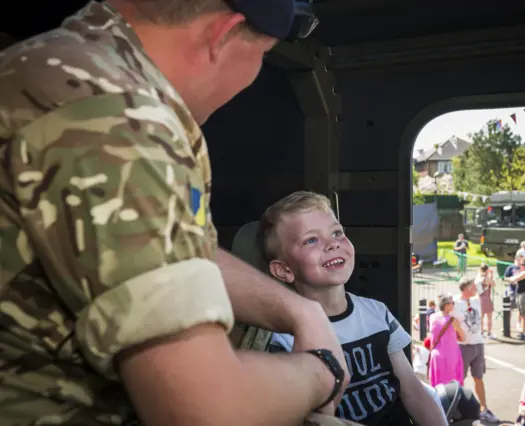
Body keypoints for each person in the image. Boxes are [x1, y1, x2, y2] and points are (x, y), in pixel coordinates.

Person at [0, 1, 359, 425]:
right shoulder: (117, 115)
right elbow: (204, 410)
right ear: (224, 34)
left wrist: (299, 310)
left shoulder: (74, 64)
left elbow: (176, 247)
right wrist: (322, 371)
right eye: (261, 56)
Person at [261, 191, 448, 426]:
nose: (332, 244)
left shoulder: (377, 313)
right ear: (284, 270)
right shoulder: (283, 339)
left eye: (337, 232)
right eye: (311, 240)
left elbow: (411, 390)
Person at [453, 279, 500, 423]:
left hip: (478, 343)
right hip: (463, 345)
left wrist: (485, 279)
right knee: (460, 379)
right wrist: (459, 333)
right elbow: (447, 319)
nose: (475, 288)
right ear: (466, 288)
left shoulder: (475, 300)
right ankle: (459, 409)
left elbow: (489, 283)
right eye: (473, 287)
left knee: (478, 377)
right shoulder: (454, 302)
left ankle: (484, 408)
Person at [427, 294, 465, 387]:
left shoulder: (432, 317)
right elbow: (463, 338)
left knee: (437, 387)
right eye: (452, 303)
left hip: (436, 355)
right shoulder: (452, 320)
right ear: (447, 305)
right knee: (451, 387)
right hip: (451, 356)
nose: (453, 305)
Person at [507, 258, 525, 340]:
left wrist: (509, 278)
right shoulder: (522, 272)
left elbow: (513, 279)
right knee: (522, 315)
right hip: (519, 294)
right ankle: (523, 332)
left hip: (523, 295)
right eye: (521, 264)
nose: (521, 266)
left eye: (523, 265)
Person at [475, 263, 496, 339]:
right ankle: (489, 333)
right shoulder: (486, 279)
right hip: (486, 298)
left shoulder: (478, 277)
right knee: (489, 317)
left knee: (481, 317)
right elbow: (493, 284)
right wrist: (491, 275)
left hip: (479, 298)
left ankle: (481, 332)